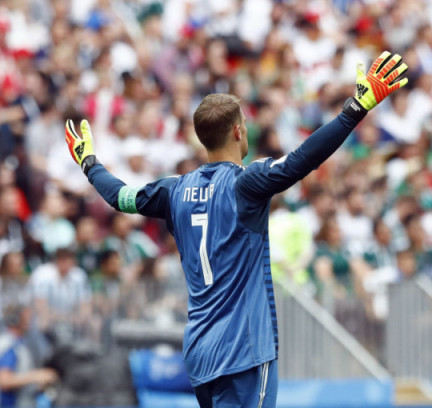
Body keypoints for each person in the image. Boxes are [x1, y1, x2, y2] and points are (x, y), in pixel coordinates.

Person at [64, 51, 408, 407]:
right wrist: (355, 108)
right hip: (243, 348)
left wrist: (89, 162)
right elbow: (303, 158)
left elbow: (120, 197)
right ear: (237, 130)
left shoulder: (173, 190)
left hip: (201, 352)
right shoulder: (245, 184)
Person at [0, 304, 58, 408]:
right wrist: (36, 376)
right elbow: (4, 381)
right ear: (16, 319)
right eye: (27, 317)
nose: (30, 321)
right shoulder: (7, 345)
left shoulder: (19, 343)